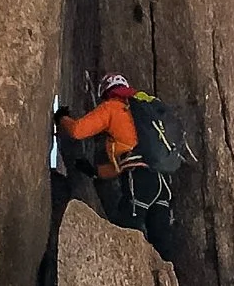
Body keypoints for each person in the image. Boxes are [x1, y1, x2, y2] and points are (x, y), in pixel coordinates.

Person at [54, 75, 185, 258]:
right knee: (161, 241)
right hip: (162, 182)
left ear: (107, 92)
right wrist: (94, 172)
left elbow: (77, 130)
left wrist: (61, 118)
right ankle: (165, 281)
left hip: (139, 181)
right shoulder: (143, 113)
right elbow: (122, 165)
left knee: (125, 232)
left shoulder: (112, 107)